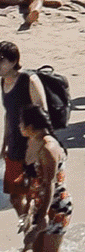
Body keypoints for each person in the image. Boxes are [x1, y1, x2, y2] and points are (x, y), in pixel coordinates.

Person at [19, 104, 85, 252]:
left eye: (21, 123)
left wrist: (43, 216)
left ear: (31, 126)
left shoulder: (48, 148)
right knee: (38, 251)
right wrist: (31, 205)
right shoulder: (34, 141)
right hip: (41, 203)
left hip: (56, 207)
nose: (19, 126)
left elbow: (50, 185)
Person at [0, 44, 46, 224]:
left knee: (33, 195)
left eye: (1, 60)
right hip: (14, 146)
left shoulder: (28, 80)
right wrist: (4, 143)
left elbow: (42, 114)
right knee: (15, 196)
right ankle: (28, 227)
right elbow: (8, 114)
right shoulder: (3, 82)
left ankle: (32, 233)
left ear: (14, 61)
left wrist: (34, 148)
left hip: (32, 146)